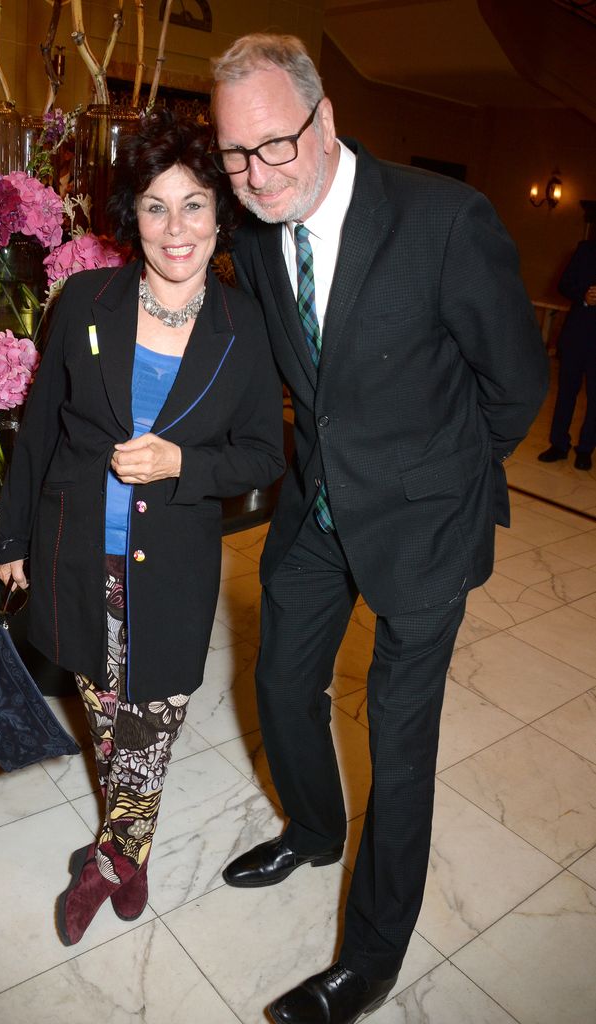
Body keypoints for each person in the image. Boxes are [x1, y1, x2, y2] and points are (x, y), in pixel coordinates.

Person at [211, 33, 548, 1024]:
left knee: (398, 742)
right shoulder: (261, 231)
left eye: (273, 146)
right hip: (317, 509)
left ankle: (371, 956)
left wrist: (441, 480)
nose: (255, 175)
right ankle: (313, 830)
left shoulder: (446, 221)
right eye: (235, 155)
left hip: (424, 527)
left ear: (325, 120)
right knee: (278, 681)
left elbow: (516, 383)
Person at [0, 108, 285, 947]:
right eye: (155, 206)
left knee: (147, 733)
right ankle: (131, 853)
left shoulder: (244, 328)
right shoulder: (85, 300)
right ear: (133, 217)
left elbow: (264, 454)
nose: (175, 227)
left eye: (193, 204)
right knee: (108, 718)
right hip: (78, 556)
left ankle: (110, 865)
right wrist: (11, 540)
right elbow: (39, 428)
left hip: (173, 574)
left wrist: (184, 465)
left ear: (220, 213)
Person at [537, 238, 596, 471]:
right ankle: (559, 445)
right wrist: (583, 295)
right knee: (566, 393)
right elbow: (564, 284)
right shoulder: (585, 249)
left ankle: (585, 450)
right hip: (577, 335)